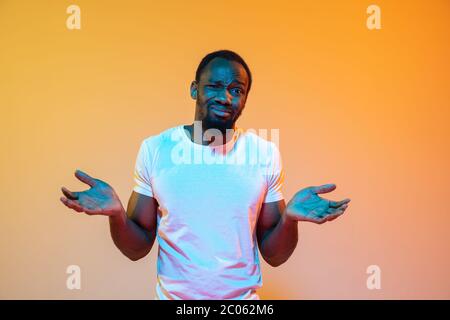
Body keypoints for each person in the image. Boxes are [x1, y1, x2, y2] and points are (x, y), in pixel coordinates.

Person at [60, 50, 351, 300]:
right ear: (194, 89)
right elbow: (137, 249)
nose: (225, 97)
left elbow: (275, 256)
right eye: (214, 86)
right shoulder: (156, 149)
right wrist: (117, 215)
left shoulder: (264, 154)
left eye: (237, 90)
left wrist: (289, 219)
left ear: (245, 99)